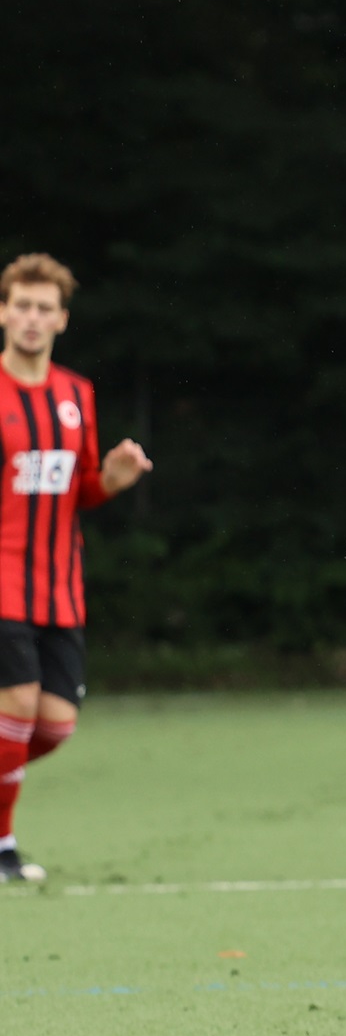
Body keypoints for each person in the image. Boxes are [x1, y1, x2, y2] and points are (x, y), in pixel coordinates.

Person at [0, 255, 152, 883]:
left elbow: (79, 488)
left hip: (60, 587)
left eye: (44, 308)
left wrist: (110, 482)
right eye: (21, 305)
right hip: (2, 580)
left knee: (55, 726)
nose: (32, 318)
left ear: (61, 319)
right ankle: (2, 845)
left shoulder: (75, 394)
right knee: (18, 704)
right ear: (3, 311)